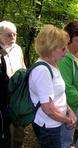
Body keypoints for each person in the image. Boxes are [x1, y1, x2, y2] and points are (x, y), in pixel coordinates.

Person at [29, 25, 76, 148]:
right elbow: (48, 109)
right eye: (63, 49)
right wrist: (68, 120)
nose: (66, 52)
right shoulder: (42, 70)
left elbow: (58, 95)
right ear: (51, 49)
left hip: (55, 122)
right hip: (48, 126)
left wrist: (69, 110)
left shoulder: (53, 64)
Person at [0, 20, 26, 148]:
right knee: (5, 129)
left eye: (15, 34)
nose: (13, 37)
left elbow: (23, 68)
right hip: (3, 97)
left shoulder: (18, 49)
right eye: (8, 35)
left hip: (18, 94)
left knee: (19, 129)